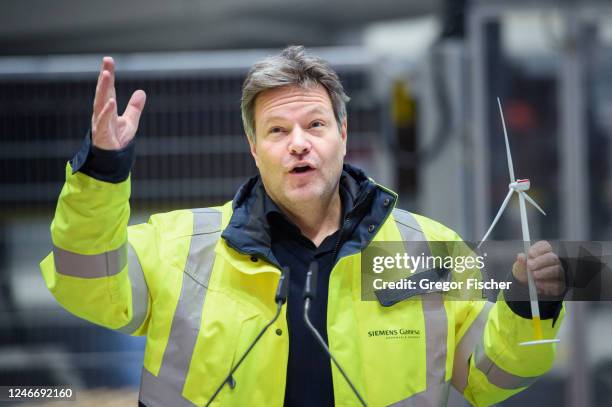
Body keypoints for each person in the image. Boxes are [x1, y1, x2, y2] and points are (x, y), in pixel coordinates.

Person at [40, 46, 565, 407]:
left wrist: (527, 309)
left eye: (314, 124)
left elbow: (489, 379)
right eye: (276, 130)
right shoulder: (177, 247)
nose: (298, 143)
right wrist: (103, 172)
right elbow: (88, 286)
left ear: (342, 133)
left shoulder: (429, 249)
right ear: (253, 147)